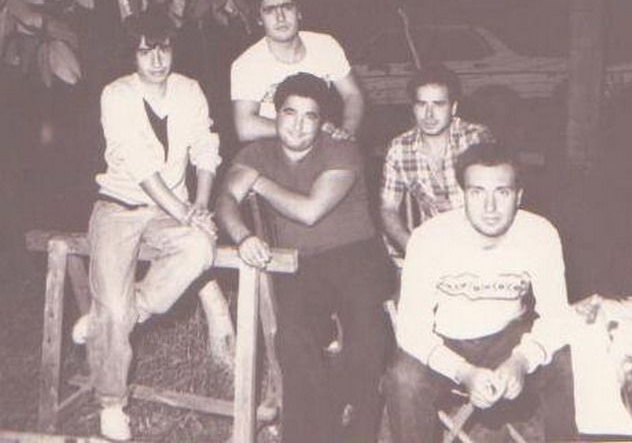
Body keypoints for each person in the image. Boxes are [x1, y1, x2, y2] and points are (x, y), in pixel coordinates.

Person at [216, 72, 393, 443]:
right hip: (299, 263)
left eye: (309, 116)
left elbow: (310, 211)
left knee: (368, 335)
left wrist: (259, 182)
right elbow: (226, 198)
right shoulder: (256, 153)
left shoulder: (341, 148)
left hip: (355, 256)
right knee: (293, 339)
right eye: (289, 113)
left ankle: (356, 435)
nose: (297, 125)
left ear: (322, 121)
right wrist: (243, 235)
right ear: (275, 114)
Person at [72, 10, 221, 441]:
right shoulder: (116, 95)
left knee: (200, 248)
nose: (156, 60)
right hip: (118, 208)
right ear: (132, 55)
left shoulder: (189, 90)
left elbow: (205, 148)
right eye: (144, 51)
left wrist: (200, 206)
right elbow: (139, 166)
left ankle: (123, 312)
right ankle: (111, 403)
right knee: (112, 306)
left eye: (163, 48)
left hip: (170, 211)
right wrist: (186, 213)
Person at [385, 142, 571, 443]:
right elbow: (412, 329)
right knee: (403, 379)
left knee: (567, 360)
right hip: (446, 340)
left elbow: (557, 317)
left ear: (519, 196)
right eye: (477, 192)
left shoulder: (540, 233)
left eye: (502, 192)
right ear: (463, 195)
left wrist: (521, 361)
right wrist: (463, 372)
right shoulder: (429, 238)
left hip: (508, 338)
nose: (490, 207)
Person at [230, 0, 365, 142]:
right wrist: (307, 128)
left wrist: (347, 130)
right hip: (272, 145)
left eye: (287, 7)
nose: (280, 17)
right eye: (270, 10)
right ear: (259, 19)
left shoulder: (325, 45)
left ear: (298, 12)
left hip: (320, 143)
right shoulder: (247, 64)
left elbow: (352, 94)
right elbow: (245, 128)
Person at [380, 64, 492, 251]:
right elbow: (388, 208)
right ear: (413, 108)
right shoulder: (399, 148)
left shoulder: (475, 138)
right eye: (421, 104)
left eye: (438, 104)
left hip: (480, 240)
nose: (429, 114)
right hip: (433, 244)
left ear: (453, 108)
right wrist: (413, 248)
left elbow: (493, 198)